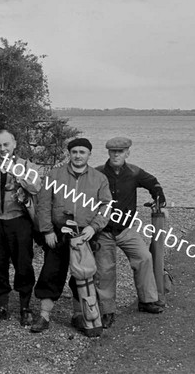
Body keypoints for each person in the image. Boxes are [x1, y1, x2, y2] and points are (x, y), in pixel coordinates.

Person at [31, 138, 112, 336]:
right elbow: (43, 204)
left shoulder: (99, 178)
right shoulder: (54, 175)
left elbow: (106, 205)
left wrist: (94, 227)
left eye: (82, 152)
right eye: (74, 151)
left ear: (89, 154)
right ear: (69, 153)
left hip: (84, 234)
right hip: (58, 233)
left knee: (83, 276)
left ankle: (80, 314)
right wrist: (48, 230)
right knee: (51, 272)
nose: (78, 155)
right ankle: (44, 315)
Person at [95, 136, 167, 329]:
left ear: (128, 152)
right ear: (108, 153)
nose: (116, 154)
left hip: (126, 229)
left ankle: (147, 300)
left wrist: (159, 199)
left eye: (120, 151)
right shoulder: (98, 173)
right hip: (103, 230)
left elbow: (154, 184)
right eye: (113, 151)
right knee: (105, 270)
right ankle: (107, 310)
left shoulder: (135, 172)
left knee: (144, 257)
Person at [0, 130, 41, 327]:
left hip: (18, 221)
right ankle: (2, 307)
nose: (2, 149)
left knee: (23, 263)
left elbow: (36, 187)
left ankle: (25, 307)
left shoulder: (26, 166)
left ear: (14, 144)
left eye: (6, 145)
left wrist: (17, 172)